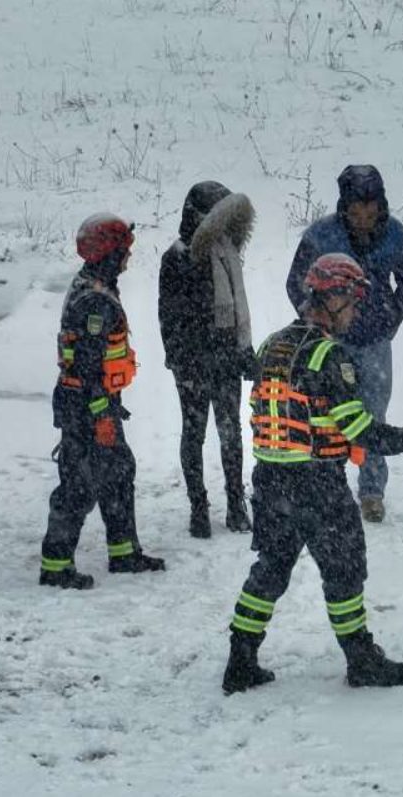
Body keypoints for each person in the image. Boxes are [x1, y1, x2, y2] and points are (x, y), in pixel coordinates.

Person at [222, 253, 403, 694]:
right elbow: (357, 427)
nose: (357, 311)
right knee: (344, 573)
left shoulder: (273, 344)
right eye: (354, 300)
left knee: (270, 569)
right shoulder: (329, 356)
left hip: (270, 478)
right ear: (333, 296)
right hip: (317, 483)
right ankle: (361, 661)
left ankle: (240, 659)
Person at [286, 165, 403, 524]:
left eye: (370, 209)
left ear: (381, 205)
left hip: (375, 343)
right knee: (324, 416)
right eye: (356, 210)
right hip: (330, 346)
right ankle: (326, 484)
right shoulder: (321, 235)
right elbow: (296, 282)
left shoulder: (395, 236)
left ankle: (372, 492)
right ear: (344, 207)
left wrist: (390, 320)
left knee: (372, 415)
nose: (363, 217)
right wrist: (316, 324)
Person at [39, 214, 166, 589]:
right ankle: (56, 565)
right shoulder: (95, 299)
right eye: (124, 251)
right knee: (80, 484)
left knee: (118, 472)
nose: (128, 258)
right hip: (87, 404)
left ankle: (124, 553)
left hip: (94, 401)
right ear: (109, 254)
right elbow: (89, 364)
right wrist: (101, 416)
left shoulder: (96, 286)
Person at [158, 181, 257, 538]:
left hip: (226, 360)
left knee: (232, 434)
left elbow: (239, 310)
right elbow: (168, 319)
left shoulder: (226, 252)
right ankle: (198, 507)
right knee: (194, 433)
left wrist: (245, 352)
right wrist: (183, 363)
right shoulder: (177, 258)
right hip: (194, 365)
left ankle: (235, 504)